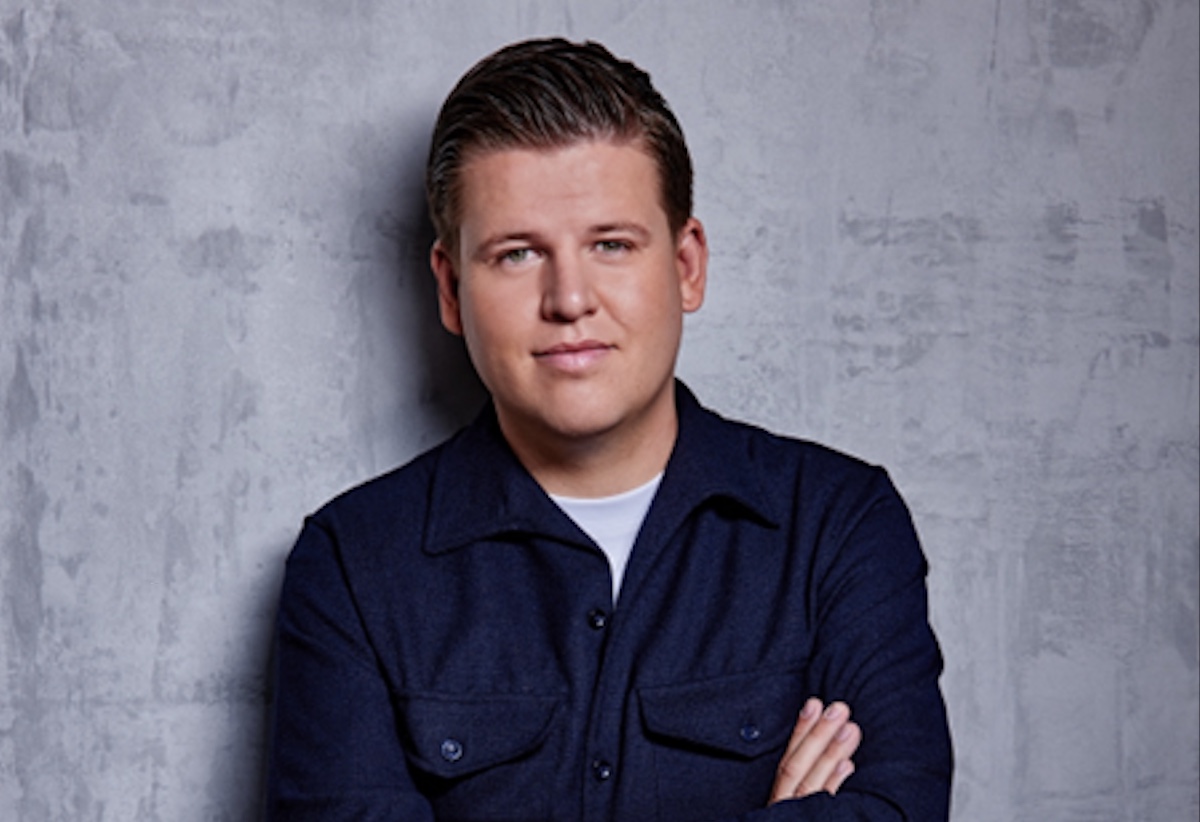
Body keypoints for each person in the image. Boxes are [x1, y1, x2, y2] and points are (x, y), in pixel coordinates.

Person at [265, 38, 952, 821]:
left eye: (611, 245)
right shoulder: (353, 566)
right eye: (518, 254)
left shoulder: (840, 527)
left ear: (687, 266)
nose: (569, 299)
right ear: (451, 291)